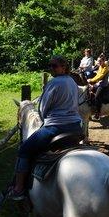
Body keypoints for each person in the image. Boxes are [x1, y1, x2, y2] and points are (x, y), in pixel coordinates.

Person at [9, 55, 82, 200]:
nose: (51, 69)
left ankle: (18, 189)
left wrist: (44, 119)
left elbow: (42, 108)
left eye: (54, 66)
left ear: (63, 67)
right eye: (50, 66)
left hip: (56, 127)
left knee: (24, 150)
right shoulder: (72, 82)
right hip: (75, 127)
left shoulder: (53, 83)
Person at [87, 56, 109, 120]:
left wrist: (91, 80)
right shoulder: (100, 66)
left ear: (103, 61)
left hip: (103, 84)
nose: (99, 62)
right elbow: (97, 75)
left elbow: (100, 76)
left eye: (100, 61)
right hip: (99, 83)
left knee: (96, 97)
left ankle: (98, 113)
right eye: (98, 61)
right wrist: (92, 80)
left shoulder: (105, 67)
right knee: (89, 91)